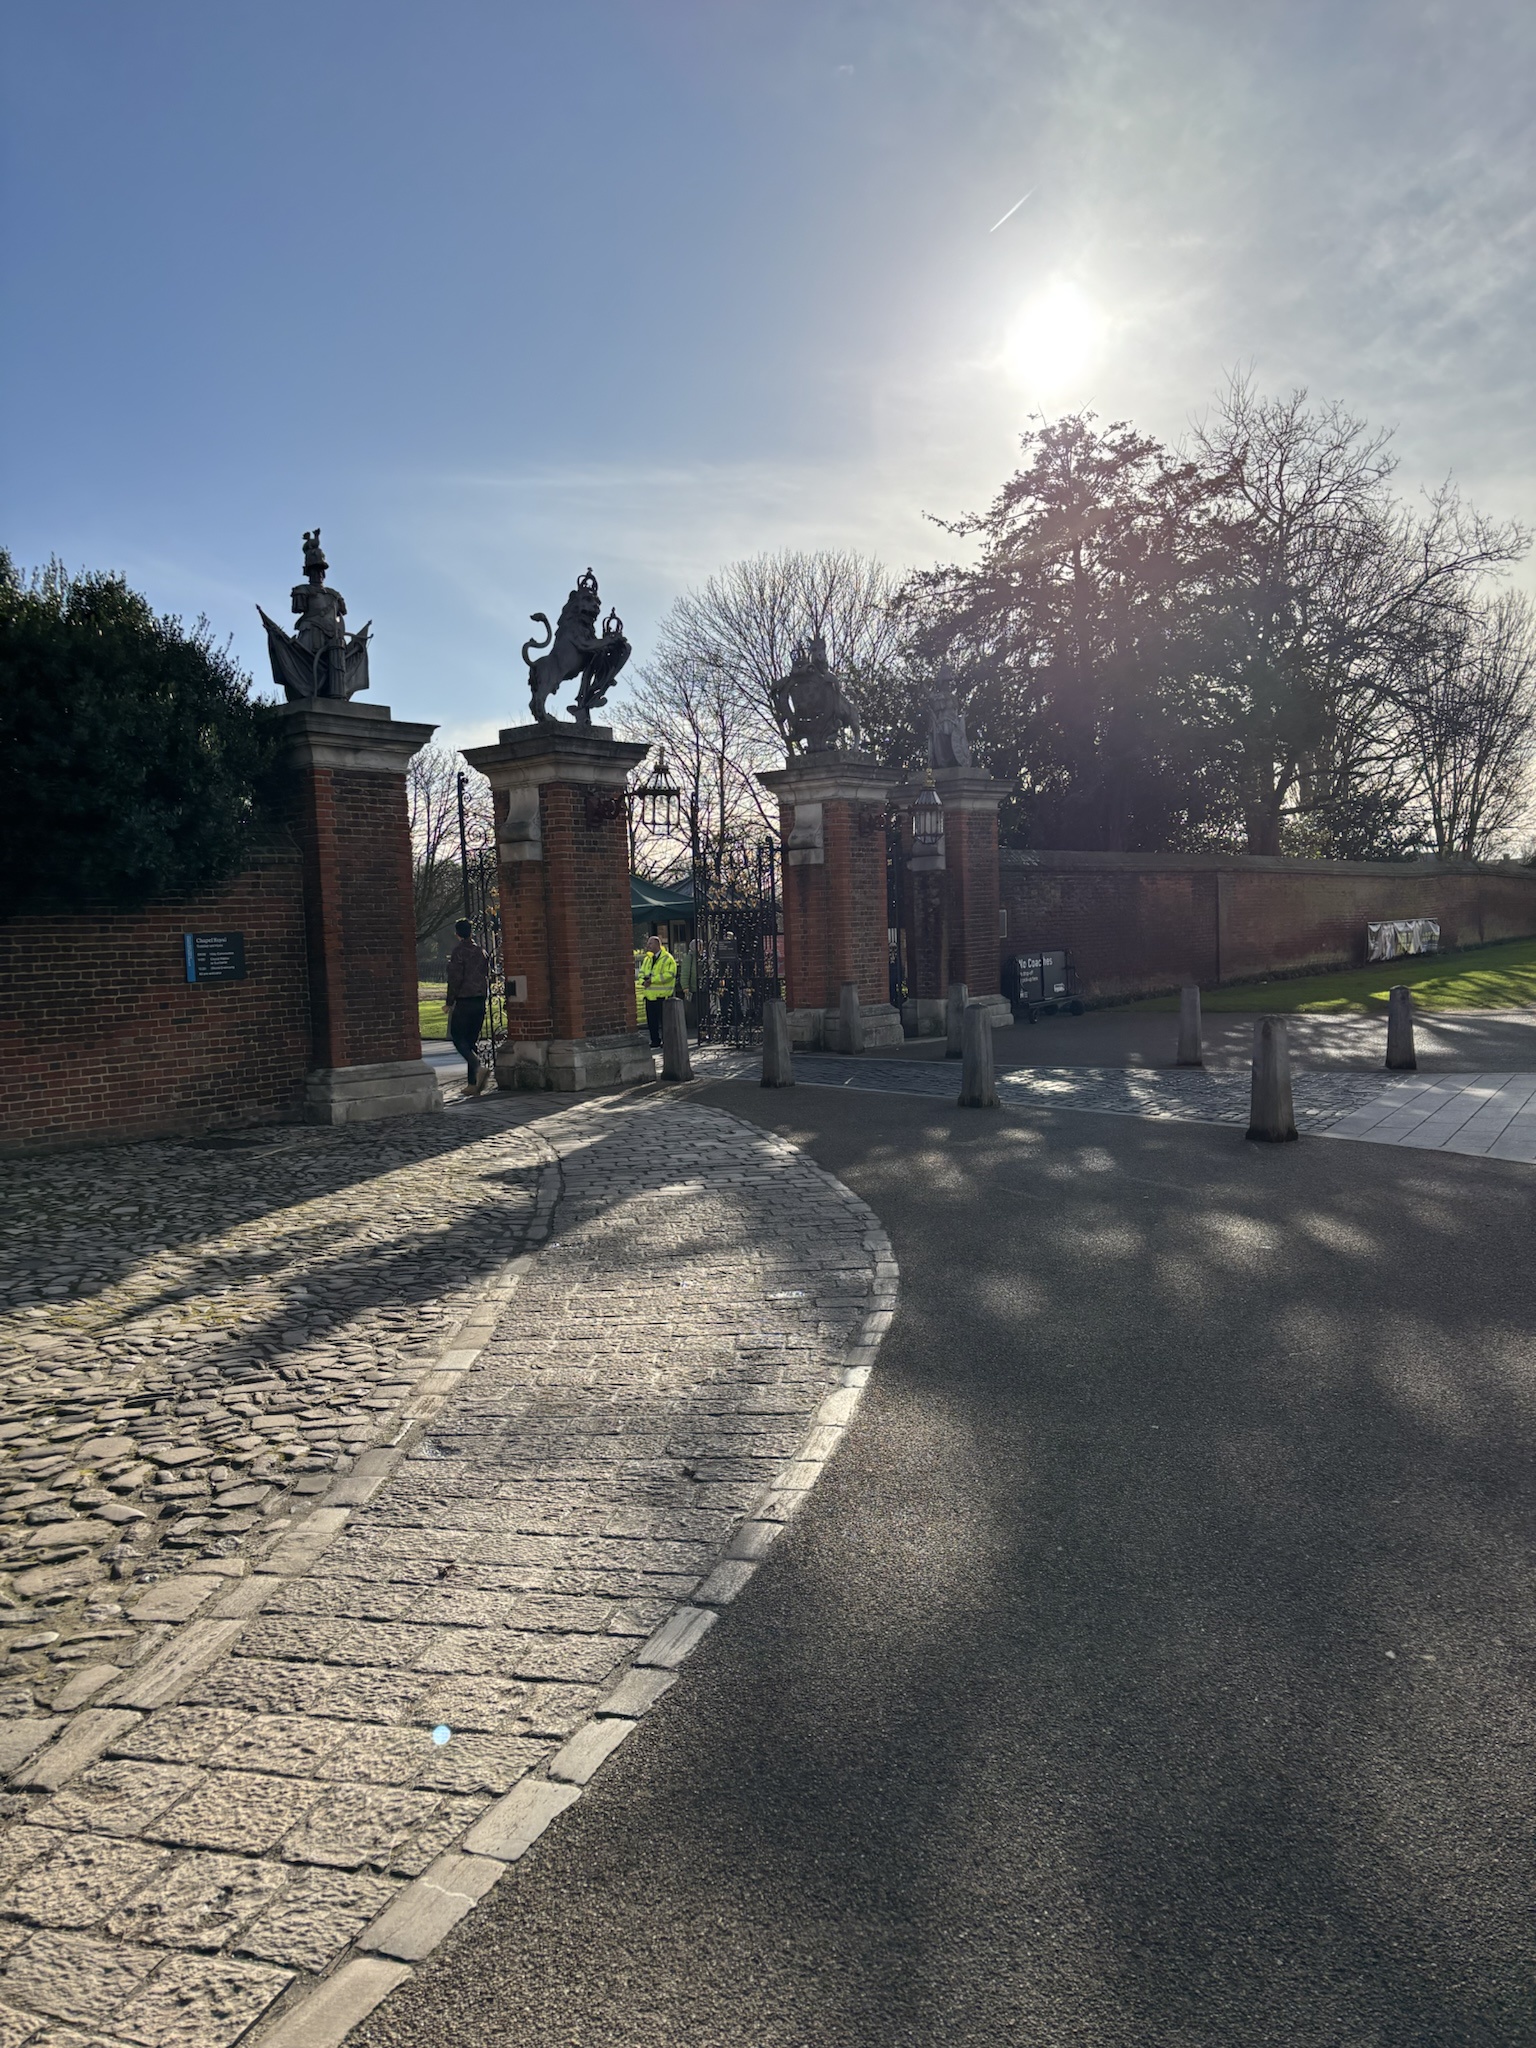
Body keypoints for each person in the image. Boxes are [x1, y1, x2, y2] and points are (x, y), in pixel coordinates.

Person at [446, 918, 493, 1093]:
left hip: (464, 1000)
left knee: (458, 1037)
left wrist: (449, 1001)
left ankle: (476, 1065)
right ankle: (473, 1084)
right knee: (471, 1041)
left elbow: (455, 979)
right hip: (480, 1000)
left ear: (457, 934)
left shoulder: (459, 952)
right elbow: (487, 973)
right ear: (471, 932)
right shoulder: (481, 951)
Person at [636, 933, 677, 1049]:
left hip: (662, 995)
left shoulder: (667, 958)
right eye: (647, 943)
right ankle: (655, 1040)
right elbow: (641, 973)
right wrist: (643, 982)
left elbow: (669, 975)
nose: (648, 946)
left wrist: (652, 980)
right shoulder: (647, 959)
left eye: (650, 943)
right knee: (652, 1022)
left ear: (657, 945)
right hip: (649, 995)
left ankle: (666, 1040)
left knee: (665, 1022)